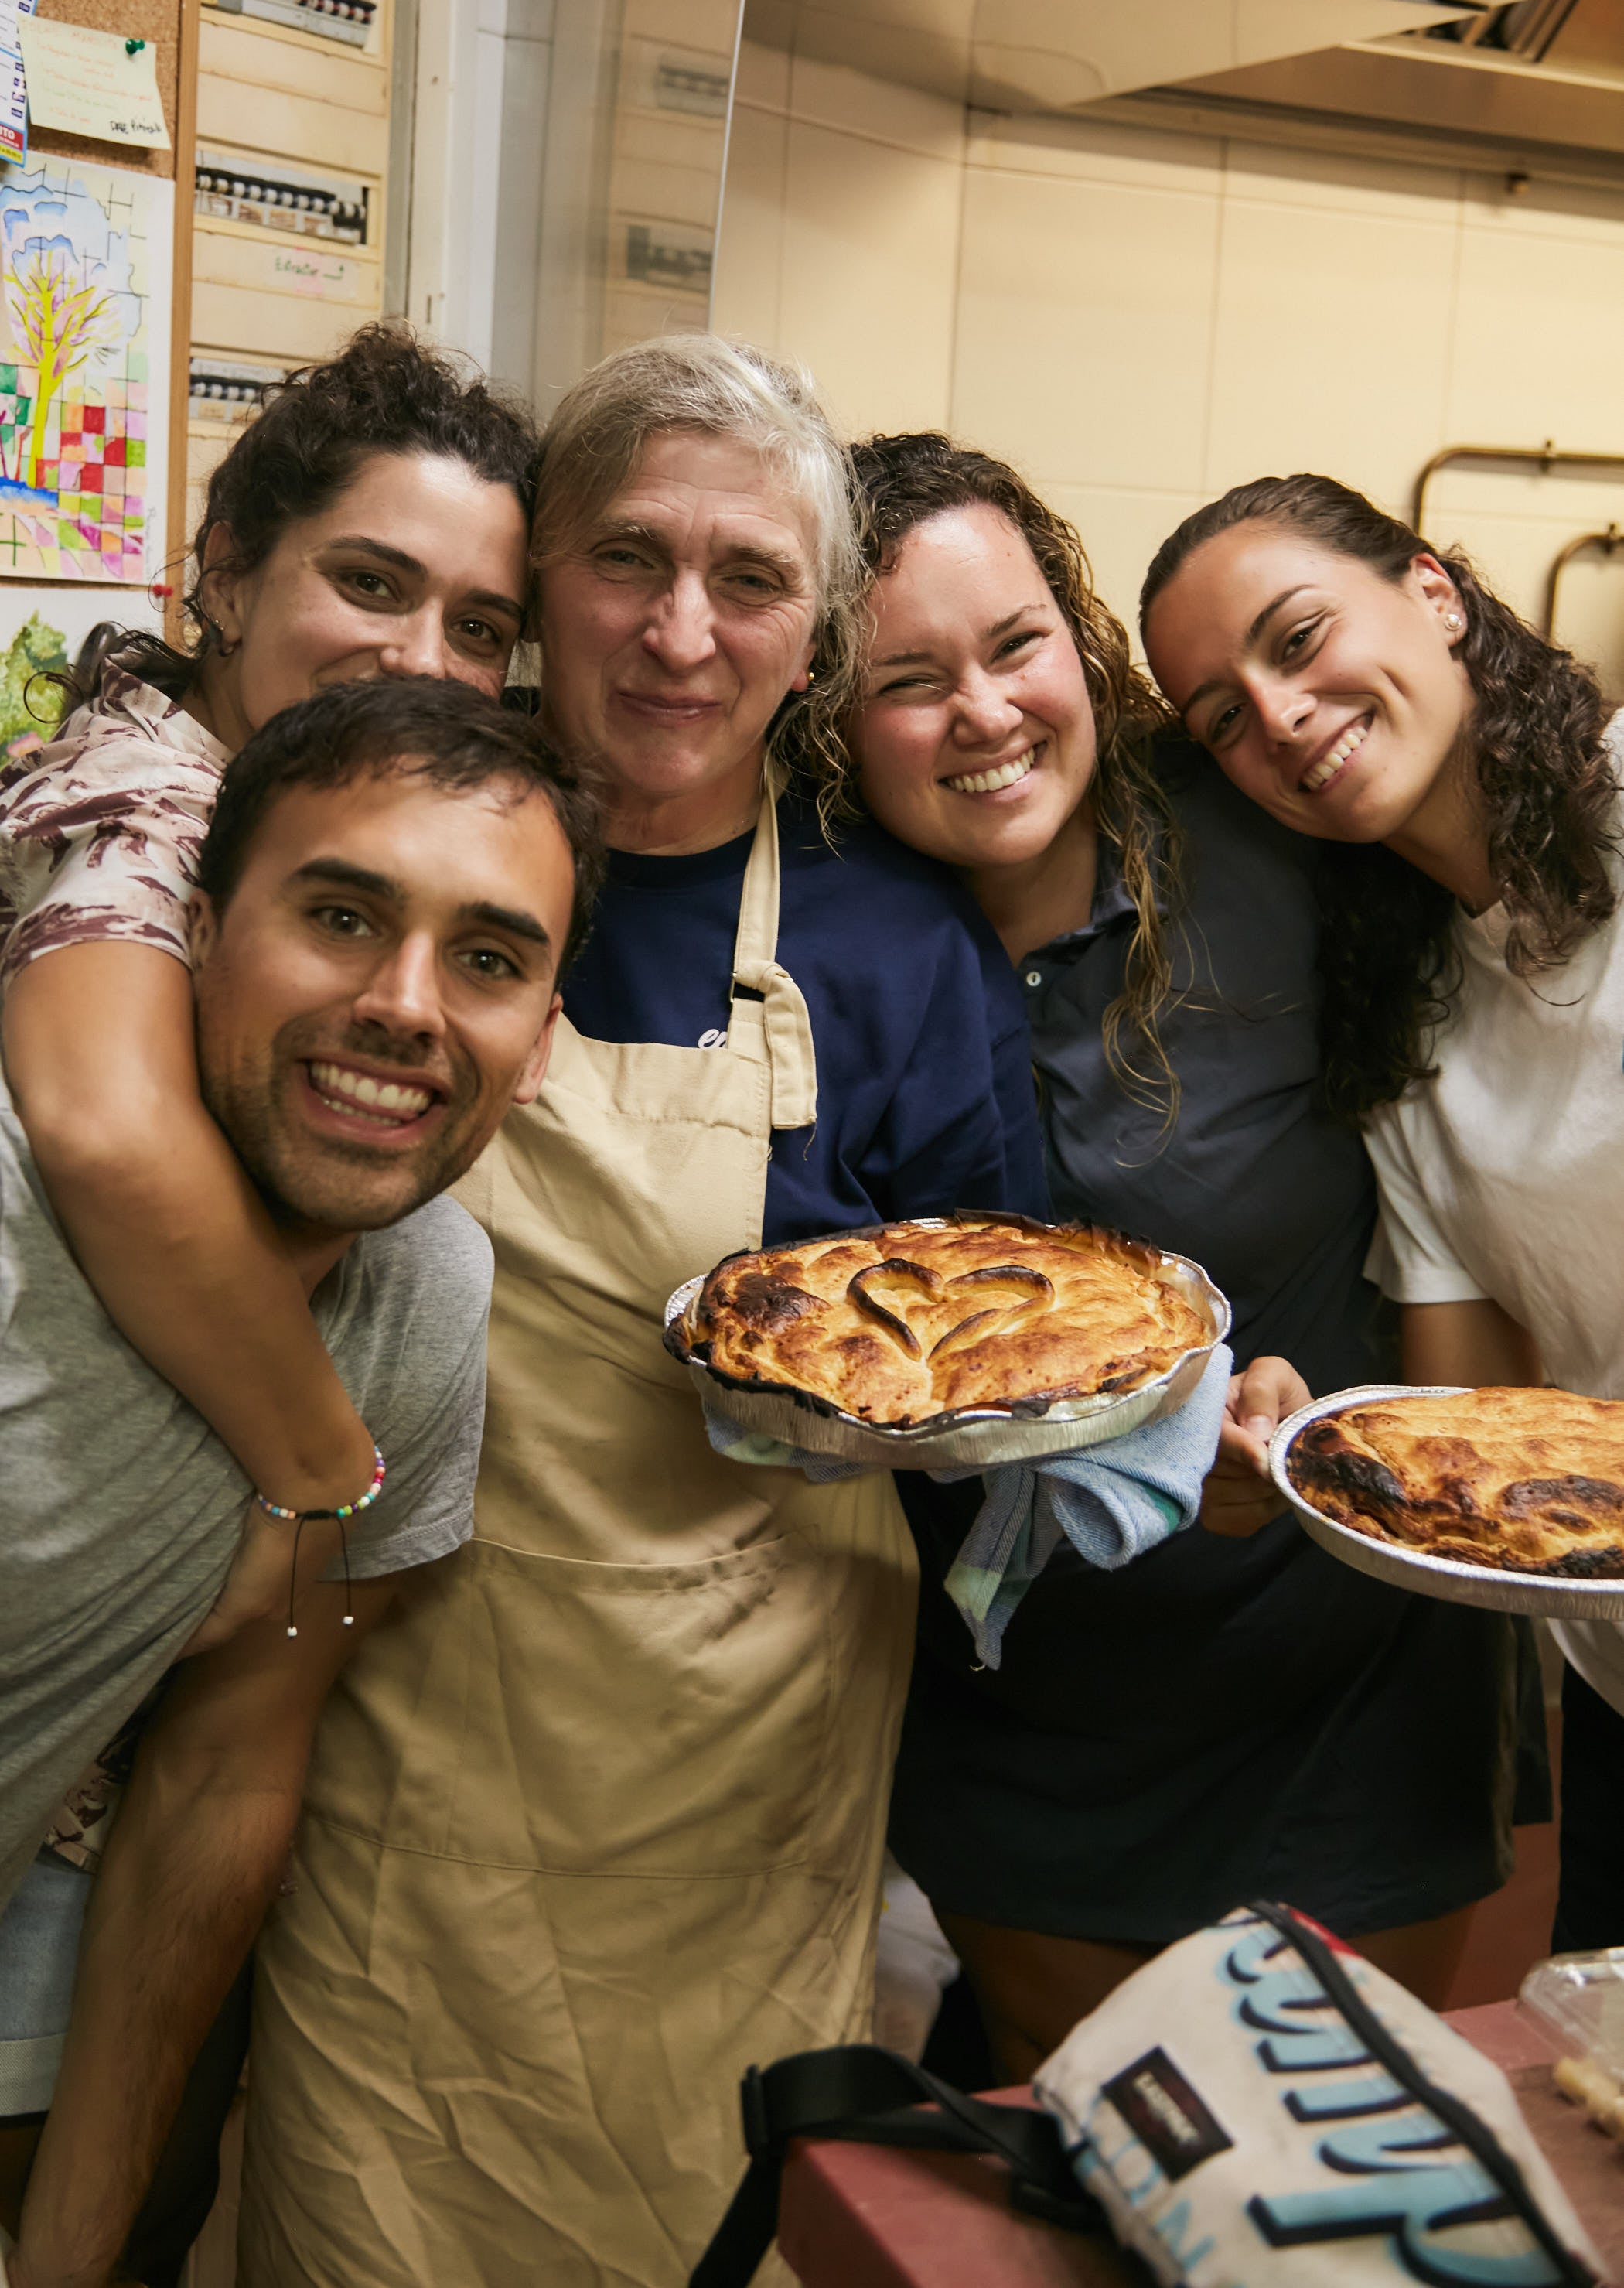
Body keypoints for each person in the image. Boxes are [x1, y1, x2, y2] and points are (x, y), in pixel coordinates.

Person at [238, 337, 1048, 2288]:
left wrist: (1084, 1458)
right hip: (398, 1780)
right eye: (629, 561)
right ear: (543, 585)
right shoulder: (383, 863)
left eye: (750, 579)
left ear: (818, 628)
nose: (684, 632)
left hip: (742, 1818)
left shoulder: (894, 945)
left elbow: (1010, 1354)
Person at [844, 432, 1523, 2079]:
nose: (988, 712)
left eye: (1017, 647)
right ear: (829, 720)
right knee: (1095, 2185)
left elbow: (1534, 953)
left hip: (1347, 1695)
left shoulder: (1280, 839)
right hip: (1038, 1716)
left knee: (1358, 2182)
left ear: (1078, 646)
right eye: (909, 680)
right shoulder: (825, 947)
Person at [0, 674, 596, 2288]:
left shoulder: (423, 1303)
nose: (407, 1005)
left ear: (539, 1043)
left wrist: (62, 2254)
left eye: (486, 961)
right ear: (193, 925)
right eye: (340, 914)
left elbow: (222, 1772)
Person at [1139, 471, 1624, 1958]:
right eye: (1222, 714)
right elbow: (1471, 1422)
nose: (1277, 717)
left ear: (1433, 588)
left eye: (1297, 638)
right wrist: (1294, 1436)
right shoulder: (1402, 1011)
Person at [0, 321, 537, 1653]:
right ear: (228, 572)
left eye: (478, 627)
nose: (423, 660)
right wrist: (320, 1475)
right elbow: (107, 1127)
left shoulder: (270, 789)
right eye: (370, 583)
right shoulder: (143, 799)